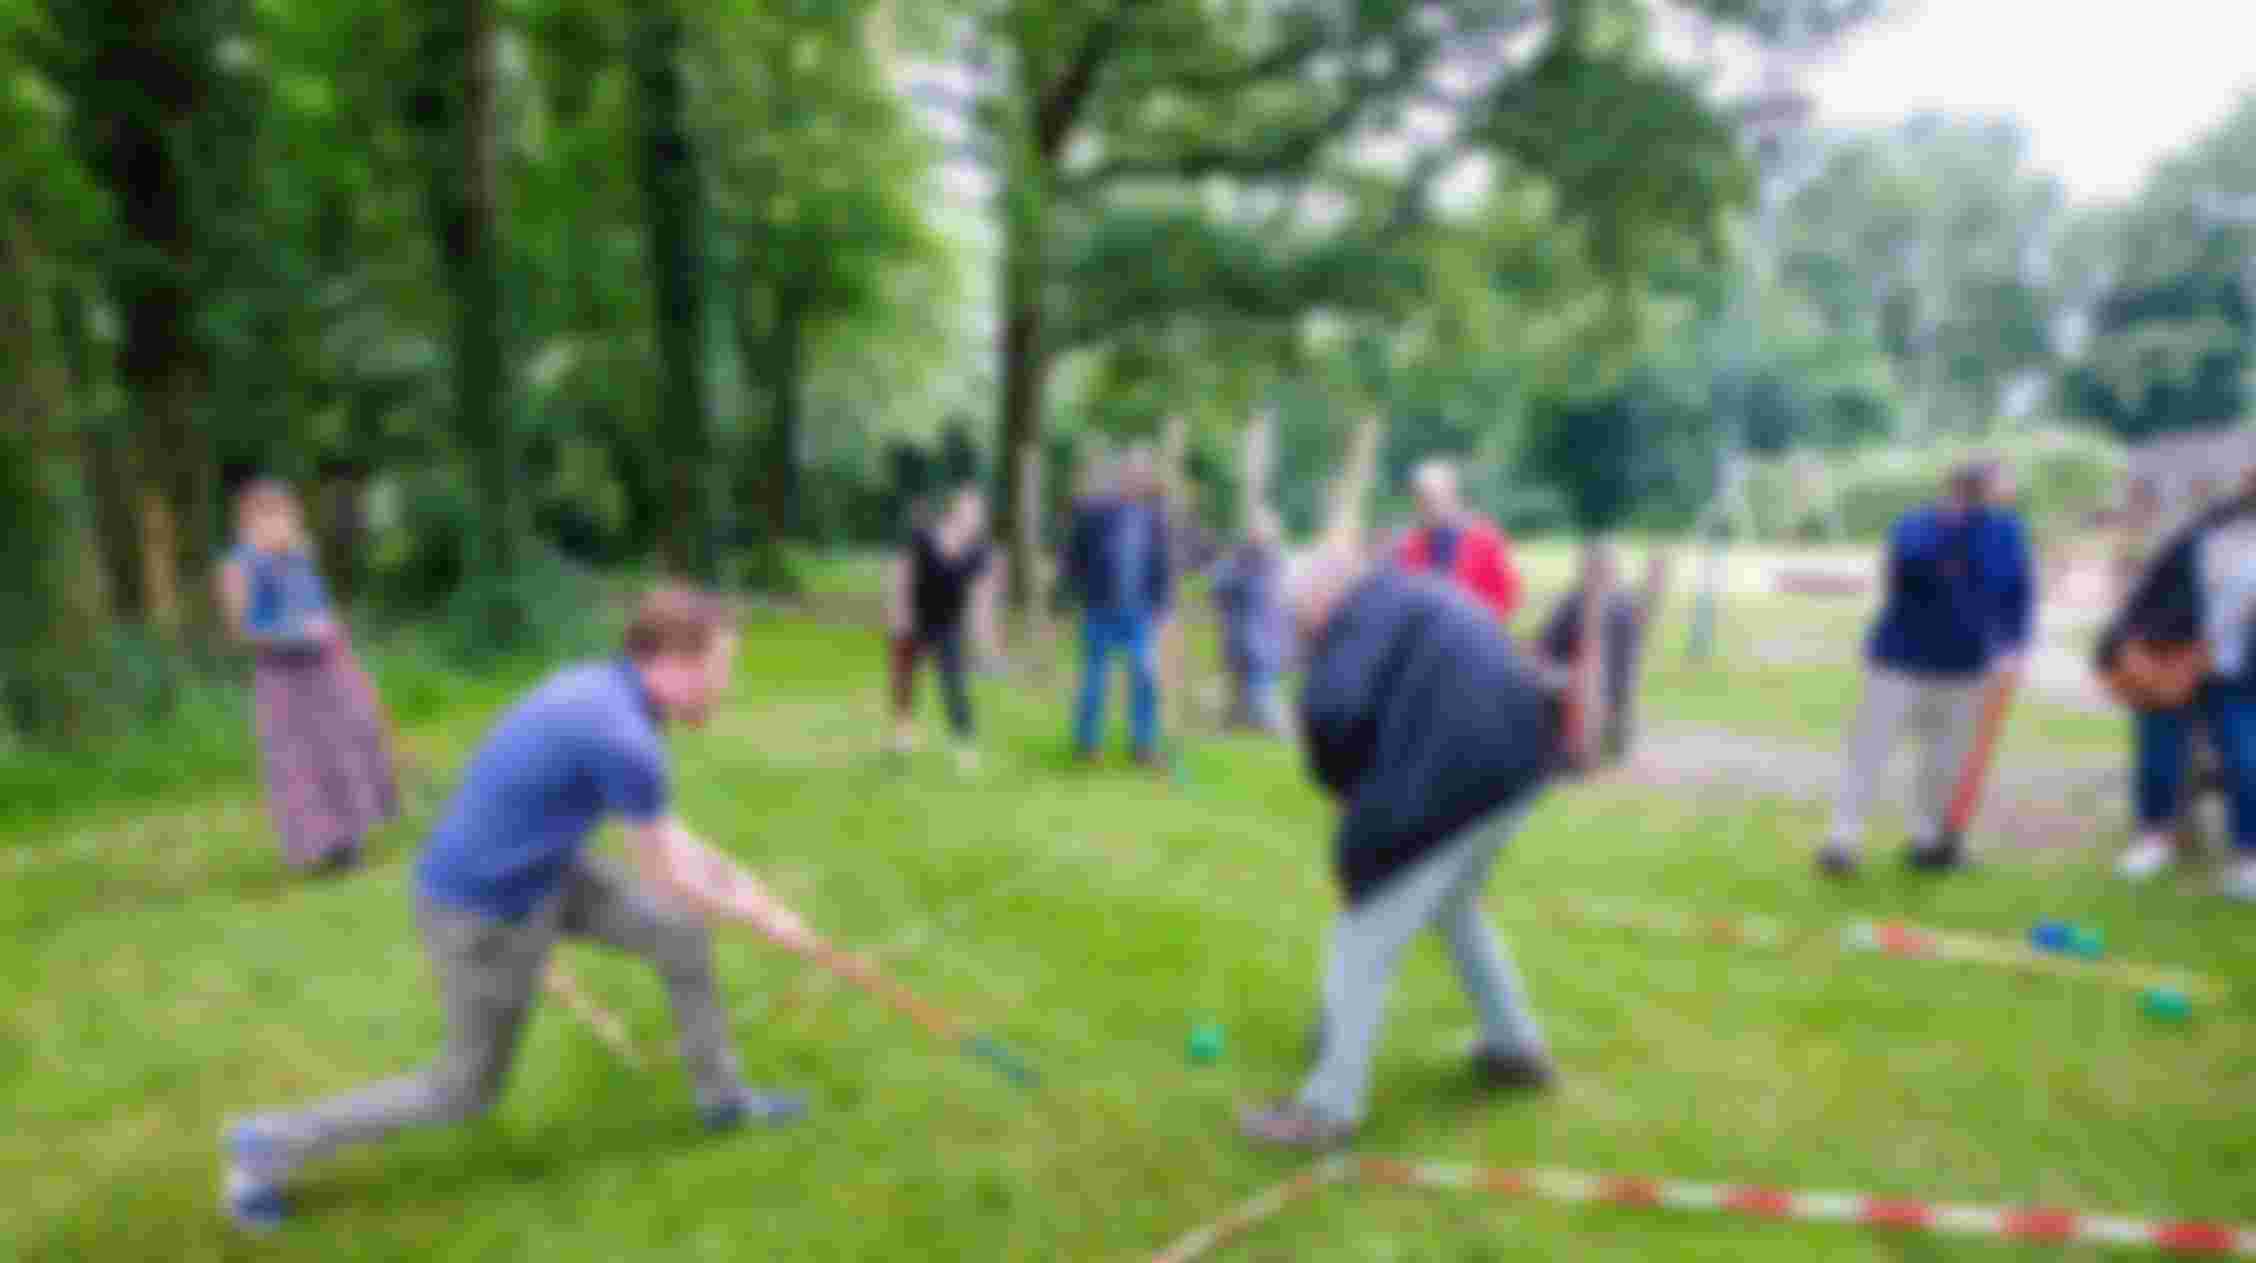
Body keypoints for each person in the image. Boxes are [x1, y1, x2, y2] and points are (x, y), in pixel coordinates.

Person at [223, 586, 810, 1230]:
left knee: (681, 938)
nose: (724, 688)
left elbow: (668, 839)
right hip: (483, 911)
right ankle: (264, 1145)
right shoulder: (624, 739)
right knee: (463, 1090)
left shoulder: (604, 689)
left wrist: (753, 894)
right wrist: (763, 918)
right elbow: (668, 878)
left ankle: (722, 1101)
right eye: (719, 670)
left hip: (542, 872)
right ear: (672, 662)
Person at [1238, 543, 1590, 1149]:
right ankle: (1516, 1049)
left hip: (1454, 777)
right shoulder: (1410, 591)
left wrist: (1347, 792)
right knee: (1455, 909)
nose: (1301, 628)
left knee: (1362, 934)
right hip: (1521, 764)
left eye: (1299, 614)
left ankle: (1325, 1110)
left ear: (1323, 595)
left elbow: (1332, 711)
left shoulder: (1355, 615)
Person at [1817, 460, 2029, 877]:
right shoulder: (1915, 525)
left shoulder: (2007, 530)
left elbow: (2017, 588)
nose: (1996, 494)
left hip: (1966, 664)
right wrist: (1953, 526)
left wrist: (2014, 644)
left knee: (1945, 760)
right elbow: (1906, 571)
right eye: (1988, 486)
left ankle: (1929, 842)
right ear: (1957, 487)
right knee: (1870, 751)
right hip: (1900, 660)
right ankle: (1842, 841)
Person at [217, 478, 399, 876]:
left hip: (326, 668)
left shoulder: (300, 559)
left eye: (284, 515)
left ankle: (350, 841)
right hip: (281, 678)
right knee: (299, 761)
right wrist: (293, 633)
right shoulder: (240, 567)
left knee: (343, 747)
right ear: (248, 524)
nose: (279, 525)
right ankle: (320, 847)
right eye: (267, 517)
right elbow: (241, 630)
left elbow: (322, 610)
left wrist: (335, 640)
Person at [2104, 468, 2256, 896]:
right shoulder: (2202, 534)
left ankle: (2249, 859)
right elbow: (2149, 594)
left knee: (2246, 762)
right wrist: (2137, 649)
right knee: (2158, 756)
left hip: (2239, 675)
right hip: (2172, 661)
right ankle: (2153, 840)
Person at [1064, 447, 1174, 765]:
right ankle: (1087, 745)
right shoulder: (1094, 512)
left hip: (1140, 613)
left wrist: (1164, 609)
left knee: (1145, 677)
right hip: (1100, 608)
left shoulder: (1155, 519)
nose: (1135, 479)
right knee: (1094, 679)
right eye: (1130, 473)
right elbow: (1074, 555)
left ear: (1146, 480)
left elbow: (1161, 565)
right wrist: (1079, 593)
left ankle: (1144, 746)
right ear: (1121, 476)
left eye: (1141, 474)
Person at [886, 487, 1000, 773]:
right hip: (914, 616)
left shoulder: (979, 552)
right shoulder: (924, 535)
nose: (973, 519)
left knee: (954, 685)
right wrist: (898, 612)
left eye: (978, 515)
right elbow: (901, 572)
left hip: (948, 623)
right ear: (954, 511)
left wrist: (985, 639)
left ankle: (964, 746)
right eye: (968, 511)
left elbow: (982, 598)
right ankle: (903, 735)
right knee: (904, 677)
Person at [1537, 547, 1665, 766]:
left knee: (1556, 678)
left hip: (1589, 692)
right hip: (1615, 694)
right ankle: (1610, 735)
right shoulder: (1620, 602)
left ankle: (1579, 739)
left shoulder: (1577, 601)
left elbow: (1544, 648)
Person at [1394, 460, 1522, 624]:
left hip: (1473, 634)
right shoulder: (1408, 547)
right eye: (1423, 499)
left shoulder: (1485, 539)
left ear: (1454, 495)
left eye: (1436, 497)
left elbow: (1507, 595)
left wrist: (1478, 624)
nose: (1430, 505)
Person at [1210, 505, 1291, 734]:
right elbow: (1219, 590)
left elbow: (1276, 597)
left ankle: (1271, 723)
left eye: (1264, 531)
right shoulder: (1237, 560)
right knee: (1241, 683)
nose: (1260, 536)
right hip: (1241, 630)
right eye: (1256, 531)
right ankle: (1243, 721)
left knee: (1259, 683)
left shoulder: (1275, 562)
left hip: (1263, 633)